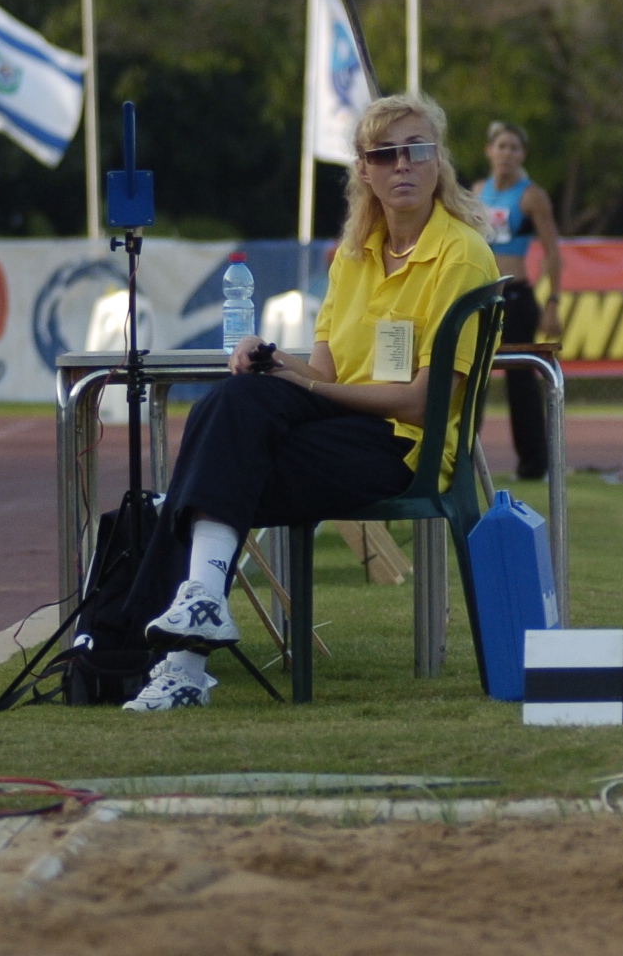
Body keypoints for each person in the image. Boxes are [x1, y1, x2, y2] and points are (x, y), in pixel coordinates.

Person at [121, 93, 501, 711]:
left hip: (406, 447)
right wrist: (270, 358)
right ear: (364, 170)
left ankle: (180, 660)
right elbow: (321, 370)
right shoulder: (352, 256)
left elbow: (417, 405)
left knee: (207, 473)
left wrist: (309, 387)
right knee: (235, 400)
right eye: (385, 154)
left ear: (439, 164)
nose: (402, 165)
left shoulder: (462, 255)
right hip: (339, 426)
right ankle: (199, 609)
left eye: (417, 151)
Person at [475, 121, 564, 481]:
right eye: (501, 147)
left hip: (516, 296)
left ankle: (533, 464)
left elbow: (552, 251)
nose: (507, 154)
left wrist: (553, 301)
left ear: (522, 155)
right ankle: (462, 458)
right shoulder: (477, 191)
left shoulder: (531, 197)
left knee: (520, 381)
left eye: (514, 148)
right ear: (489, 152)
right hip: (481, 298)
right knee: (471, 377)